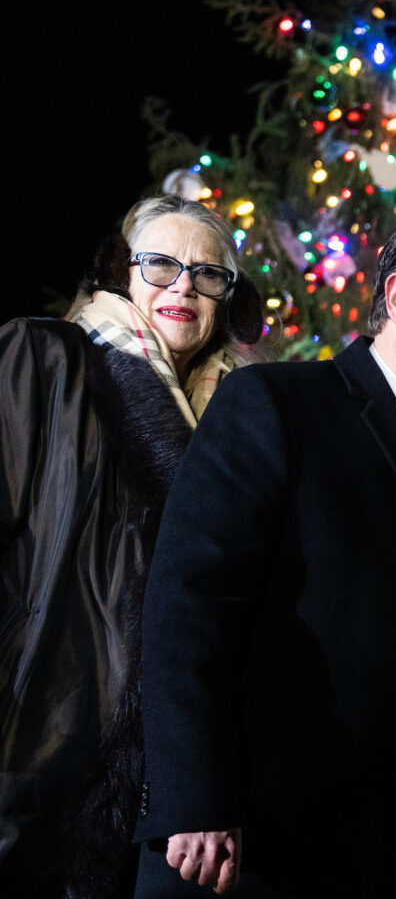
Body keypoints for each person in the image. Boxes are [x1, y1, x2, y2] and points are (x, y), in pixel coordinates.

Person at [131, 208, 396, 898]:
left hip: (379, 854)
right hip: (232, 846)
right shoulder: (275, 405)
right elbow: (189, 606)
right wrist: (192, 798)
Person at [1, 195, 259, 898]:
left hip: (158, 791)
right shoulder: (45, 359)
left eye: (208, 274)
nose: (183, 286)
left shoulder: (241, 421)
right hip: (32, 746)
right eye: (160, 265)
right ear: (119, 276)